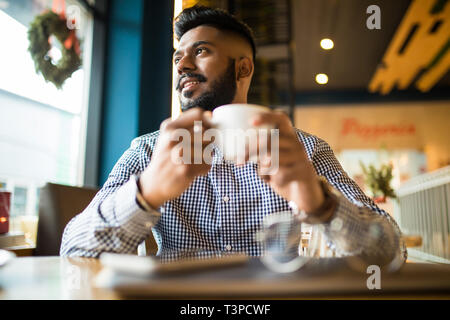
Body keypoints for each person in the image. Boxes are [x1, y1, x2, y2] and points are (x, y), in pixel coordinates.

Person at [60, 6, 406, 265]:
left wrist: (322, 205)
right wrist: (146, 193)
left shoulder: (305, 150)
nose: (181, 65)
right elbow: (73, 250)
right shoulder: (150, 151)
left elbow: (392, 253)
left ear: (244, 68)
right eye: (178, 56)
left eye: (201, 51)